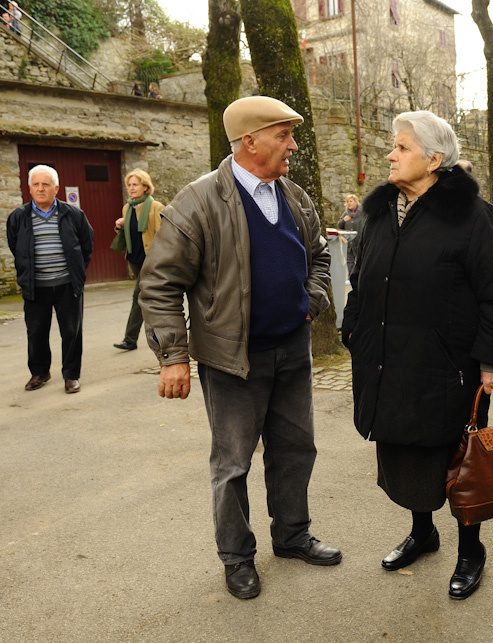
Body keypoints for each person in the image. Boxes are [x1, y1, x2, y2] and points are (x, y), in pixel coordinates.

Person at [138, 96, 341, 600]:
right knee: (233, 464)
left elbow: (318, 257)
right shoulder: (198, 200)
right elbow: (160, 284)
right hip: (232, 358)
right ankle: (237, 557)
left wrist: (309, 303)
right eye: (283, 135)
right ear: (250, 141)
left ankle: (292, 536)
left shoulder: (294, 196)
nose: (293, 144)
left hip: (292, 350)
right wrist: (173, 357)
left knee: (296, 448)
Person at [341, 110, 493, 601]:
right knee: (404, 451)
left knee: (460, 460)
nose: (390, 155)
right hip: (387, 359)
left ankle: (470, 550)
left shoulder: (472, 215)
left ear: (434, 159)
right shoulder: (379, 212)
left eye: (401, 147)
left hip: (448, 366)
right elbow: (362, 278)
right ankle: (424, 532)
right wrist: (352, 328)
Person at [6, 164, 94, 394]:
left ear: (56, 188)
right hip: (36, 286)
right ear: (29, 188)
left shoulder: (73, 214)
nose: (40, 188)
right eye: (36, 184)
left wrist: (77, 272)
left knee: (71, 332)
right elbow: (16, 247)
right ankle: (40, 372)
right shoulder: (18, 217)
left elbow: (86, 245)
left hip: (67, 284)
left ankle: (71, 375)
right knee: (36, 332)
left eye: (46, 184)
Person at [111, 169, 164, 351]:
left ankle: (130, 339)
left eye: (135, 185)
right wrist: (121, 226)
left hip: (149, 259)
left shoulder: (156, 207)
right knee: (150, 298)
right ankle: (161, 335)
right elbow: (131, 234)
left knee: (139, 297)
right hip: (133, 258)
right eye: (129, 185)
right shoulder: (128, 208)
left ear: (145, 186)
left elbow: (163, 234)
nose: (131, 188)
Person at [337, 193, 366, 276]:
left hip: (360, 241)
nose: (349, 203)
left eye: (351, 201)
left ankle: (362, 277)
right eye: (347, 202)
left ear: (356, 202)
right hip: (349, 242)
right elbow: (339, 225)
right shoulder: (345, 213)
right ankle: (351, 277)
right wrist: (344, 221)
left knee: (362, 260)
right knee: (350, 262)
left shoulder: (363, 213)